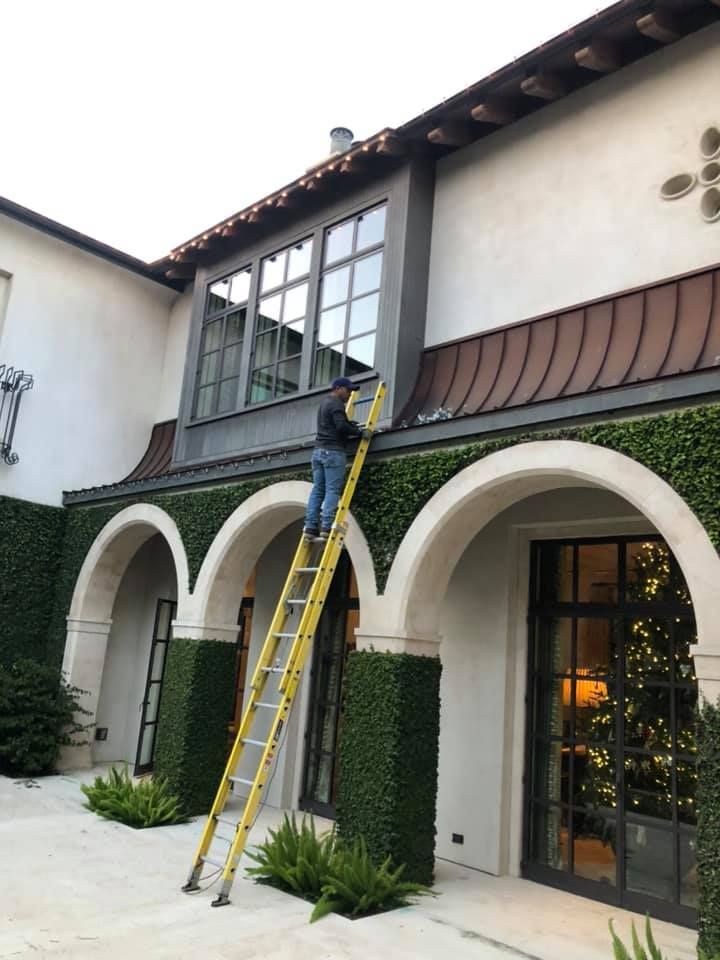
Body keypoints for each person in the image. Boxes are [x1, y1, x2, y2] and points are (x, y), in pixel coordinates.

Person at [304, 377, 367, 541]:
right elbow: (340, 426)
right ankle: (326, 525)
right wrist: (359, 432)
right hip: (333, 452)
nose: (349, 395)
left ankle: (310, 527)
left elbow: (334, 423)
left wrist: (348, 424)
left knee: (318, 489)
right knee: (332, 490)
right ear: (338, 388)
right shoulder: (337, 404)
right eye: (348, 391)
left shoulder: (325, 403)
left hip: (318, 452)